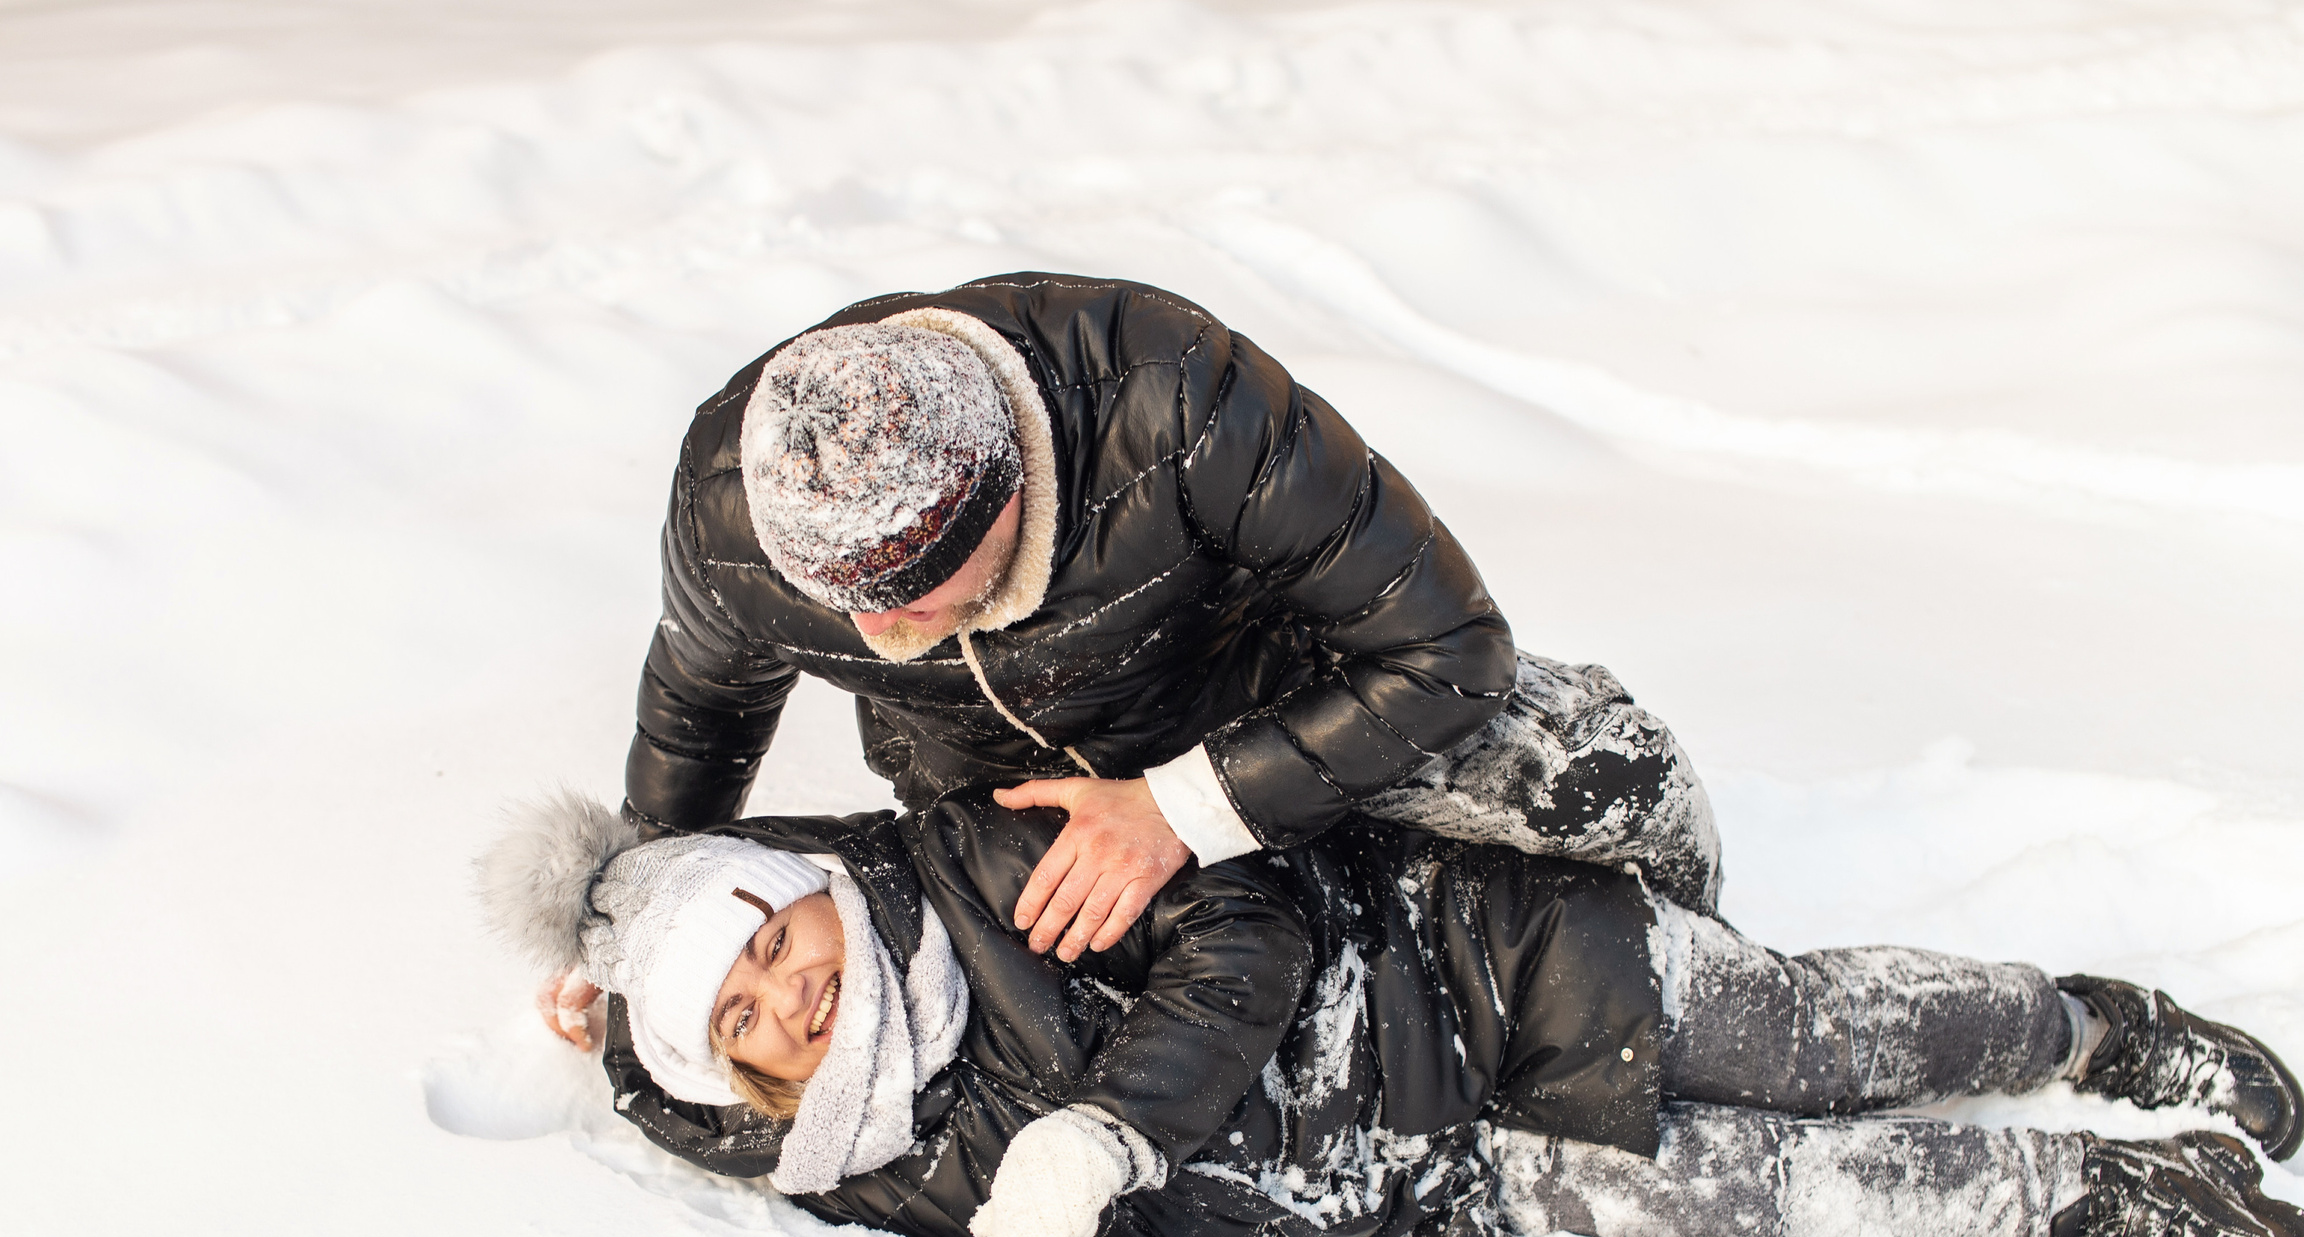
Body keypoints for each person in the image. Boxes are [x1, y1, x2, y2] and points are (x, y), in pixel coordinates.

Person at [477, 787, 2304, 1237]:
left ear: (791, 879)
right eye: (746, 1018)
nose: (794, 990)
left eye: (770, 937)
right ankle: (2103, 1200)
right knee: (1757, 1213)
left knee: (1807, 1040)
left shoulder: (968, 858)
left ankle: (2093, 1035)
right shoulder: (853, 1155)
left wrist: (1115, 1127)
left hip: (1452, 955)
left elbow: (1245, 919)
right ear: (739, 1071)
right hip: (1431, 1179)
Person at [585, 273, 1721, 1056]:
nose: (882, 632)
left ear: (1006, 489)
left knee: (1604, 773)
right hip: (1005, 792)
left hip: (1269, 693)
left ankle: (1688, 947)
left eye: (919, 588)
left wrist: (1182, 806)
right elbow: (699, 707)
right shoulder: (730, 508)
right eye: (847, 601)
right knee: (1247, 1011)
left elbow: (1450, 650)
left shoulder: (1178, 397)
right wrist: (628, 921)